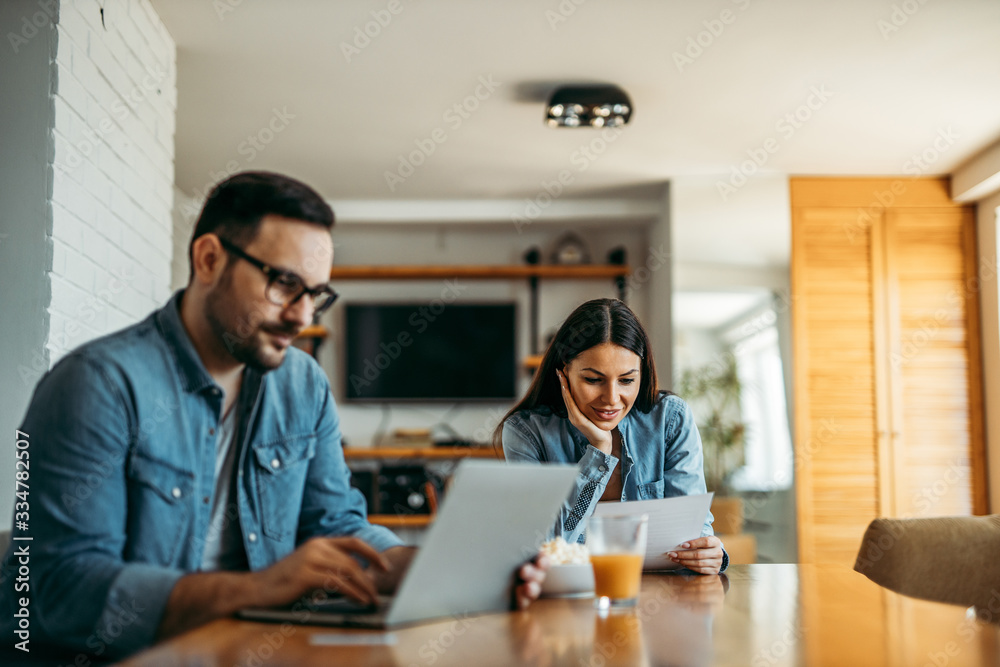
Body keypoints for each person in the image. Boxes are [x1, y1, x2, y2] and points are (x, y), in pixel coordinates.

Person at [0, 171, 547, 659]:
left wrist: (447, 571)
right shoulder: (95, 385)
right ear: (209, 258)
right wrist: (258, 589)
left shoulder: (302, 384)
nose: (303, 316)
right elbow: (56, 591)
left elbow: (336, 529)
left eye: (316, 294)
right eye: (284, 284)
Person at [497, 298, 728, 575]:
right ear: (563, 373)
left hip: (662, 596)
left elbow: (694, 534)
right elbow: (543, 548)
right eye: (593, 380)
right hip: (568, 599)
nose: (611, 399)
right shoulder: (527, 433)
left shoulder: (670, 419)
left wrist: (711, 554)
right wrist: (599, 450)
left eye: (627, 380)